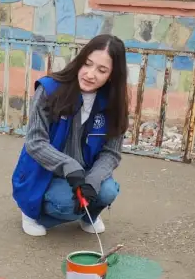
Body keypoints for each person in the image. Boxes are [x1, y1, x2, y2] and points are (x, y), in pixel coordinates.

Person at [13, 34, 128, 236]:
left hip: (84, 173)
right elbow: (35, 142)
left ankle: (88, 216)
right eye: (87, 64)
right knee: (66, 204)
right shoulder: (50, 90)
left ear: (112, 75)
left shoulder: (113, 103)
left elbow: (111, 152)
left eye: (101, 70)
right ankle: (32, 214)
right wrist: (69, 165)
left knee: (108, 190)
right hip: (45, 175)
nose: (90, 74)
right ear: (79, 61)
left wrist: (93, 180)